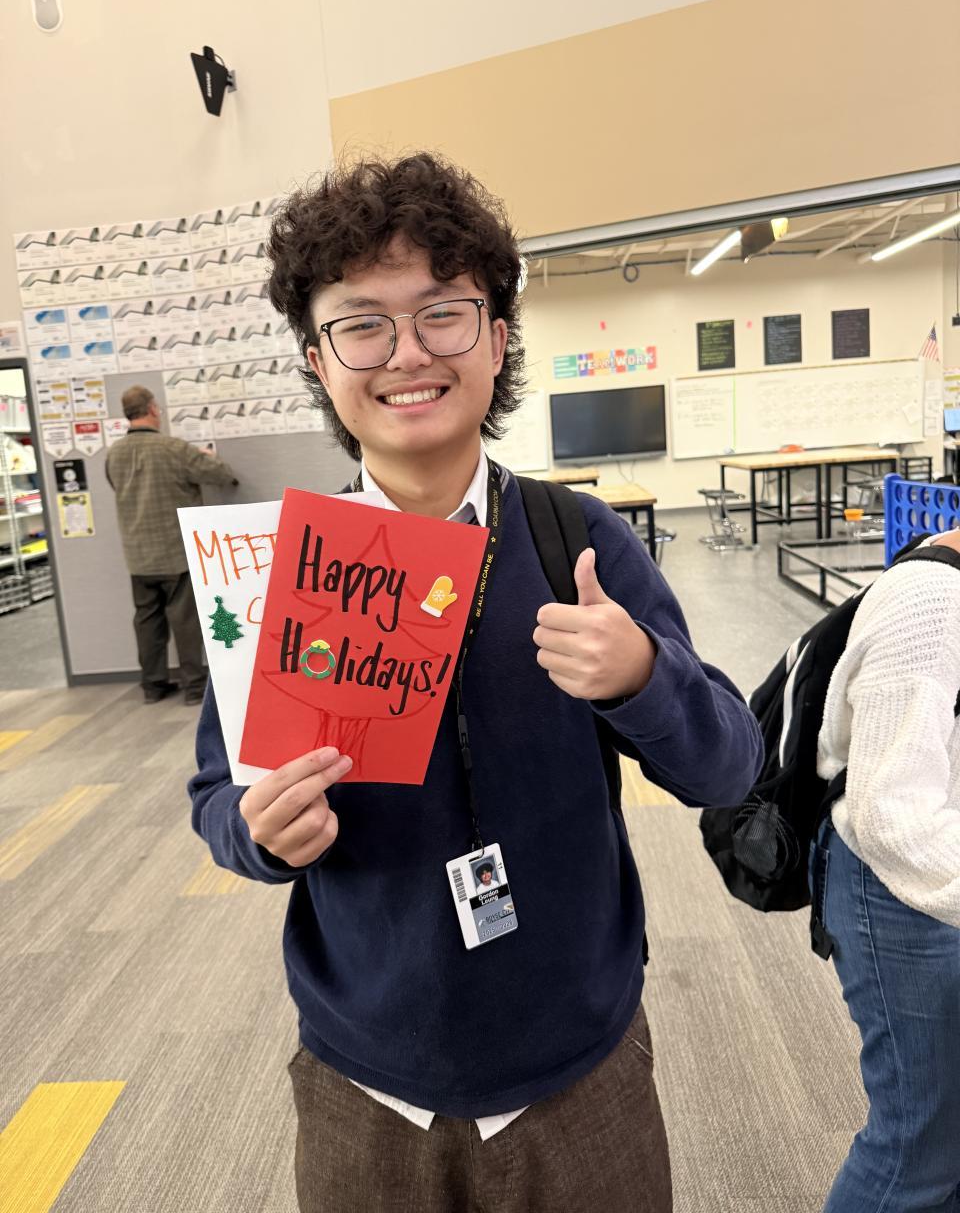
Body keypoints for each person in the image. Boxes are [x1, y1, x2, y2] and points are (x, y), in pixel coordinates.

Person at [188, 154, 763, 1212]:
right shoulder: (282, 575)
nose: (407, 353)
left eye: (443, 313)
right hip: (366, 1082)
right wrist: (256, 832)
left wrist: (641, 676)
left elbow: (729, 764)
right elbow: (217, 798)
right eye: (362, 325)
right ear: (318, 360)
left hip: (580, 1070)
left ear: (496, 340)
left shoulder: (576, 540)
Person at [813, 527, 960, 1211]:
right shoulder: (930, 603)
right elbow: (889, 814)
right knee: (917, 1148)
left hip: (939, 876)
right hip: (898, 892)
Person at [106, 385, 237, 705]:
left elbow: (114, 484)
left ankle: (153, 686)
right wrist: (209, 458)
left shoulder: (114, 454)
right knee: (185, 621)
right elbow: (222, 475)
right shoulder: (173, 448)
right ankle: (195, 688)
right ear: (153, 409)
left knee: (147, 621)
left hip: (138, 556)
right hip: (175, 553)